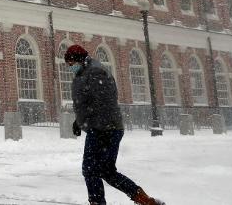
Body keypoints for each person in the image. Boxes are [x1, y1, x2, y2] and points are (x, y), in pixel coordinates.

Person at [65, 44, 165, 205]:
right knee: (106, 171)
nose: (70, 67)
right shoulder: (85, 72)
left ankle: (98, 202)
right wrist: (79, 121)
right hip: (103, 127)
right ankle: (145, 200)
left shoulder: (95, 72)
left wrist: (96, 125)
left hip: (103, 128)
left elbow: (103, 102)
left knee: (90, 170)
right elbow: (87, 102)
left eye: (71, 63)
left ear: (78, 59)